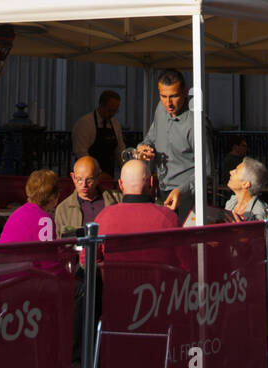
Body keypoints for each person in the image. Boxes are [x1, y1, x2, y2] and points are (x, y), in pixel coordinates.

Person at [137, 69, 212, 222]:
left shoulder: (195, 123)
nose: (168, 103)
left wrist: (181, 191)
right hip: (162, 188)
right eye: (163, 96)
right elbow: (151, 137)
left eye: (173, 96)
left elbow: (207, 170)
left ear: (184, 93)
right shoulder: (161, 108)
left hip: (188, 196)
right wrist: (143, 147)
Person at [94, 159, 181, 243]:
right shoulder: (169, 217)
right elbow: (183, 255)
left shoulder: (104, 218)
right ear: (151, 182)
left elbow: (88, 255)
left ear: (120, 184)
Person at [55, 155, 120, 236]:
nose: (84, 185)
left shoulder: (116, 200)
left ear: (98, 178)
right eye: (79, 179)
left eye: (89, 180)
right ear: (73, 177)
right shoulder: (63, 209)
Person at [71, 91, 126, 176]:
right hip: (87, 175)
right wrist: (98, 172)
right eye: (110, 110)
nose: (112, 114)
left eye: (115, 111)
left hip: (108, 174)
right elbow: (80, 152)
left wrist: (127, 169)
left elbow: (120, 150)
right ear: (101, 105)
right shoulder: (85, 123)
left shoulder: (115, 124)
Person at [0, 170, 60, 244]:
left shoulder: (16, 214)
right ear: (53, 196)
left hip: (3, 255)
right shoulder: (45, 221)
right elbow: (47, 252)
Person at [225, 157, 268, 221]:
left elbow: (260, 231)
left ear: (245, 184)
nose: (231, 172)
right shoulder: (232, 202)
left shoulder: (258, 213)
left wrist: (242, 230)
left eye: (236, 171)